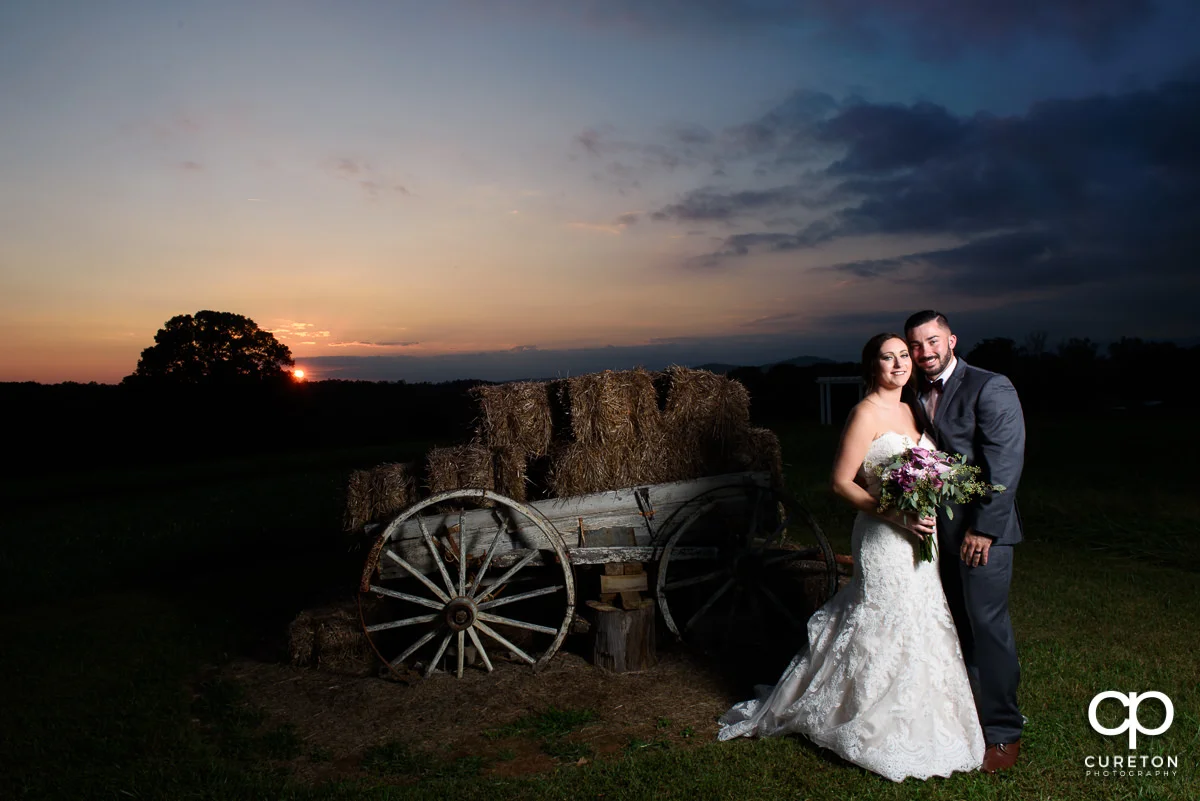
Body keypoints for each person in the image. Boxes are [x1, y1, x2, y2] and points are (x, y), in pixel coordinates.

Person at [718, 333, 984, 782]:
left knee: (921, 618)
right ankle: (861, 717)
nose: (899, 364)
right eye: (888, 357)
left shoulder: (913, 408)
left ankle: (925, 717)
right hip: (883, 535)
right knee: (880, 617)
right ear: (872, 366)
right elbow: (841, 482)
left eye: (904, 356)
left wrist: (925, 505)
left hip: (921, 537)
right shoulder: (865, 412)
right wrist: (895, 515)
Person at [904, 310, 1025, 773]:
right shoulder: (914, 392)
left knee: (987, 628)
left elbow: (1005, 465)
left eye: (932, 342)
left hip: (982, 534)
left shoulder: (991, 386)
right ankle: (970, 717)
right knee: (955, 628)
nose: (925, 353)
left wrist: (985, 529)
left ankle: (1003, 733)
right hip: (938, 533)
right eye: (916, 346)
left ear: (952, 339)